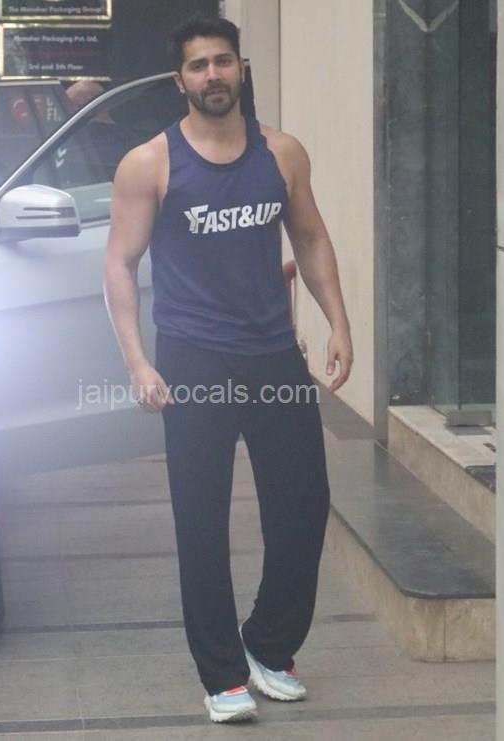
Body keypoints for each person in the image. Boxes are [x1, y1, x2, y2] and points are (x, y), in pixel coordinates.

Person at [103, 14, 353, 724]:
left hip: (273, 352)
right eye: (198, 65)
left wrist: (339, 321)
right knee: (201, 520)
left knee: (303, 506)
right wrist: (138, 361)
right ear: (179, 79)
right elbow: (119, 263)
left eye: (221, 61)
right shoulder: (149, 164)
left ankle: (268, 644)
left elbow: (310, 236)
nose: (211, 75)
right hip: (193, 357)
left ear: (241, 68)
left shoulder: (282, 153)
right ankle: (220, 674)